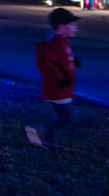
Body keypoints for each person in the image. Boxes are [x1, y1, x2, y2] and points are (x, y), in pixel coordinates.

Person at [26, 8, 80, 149]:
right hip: (58, 88)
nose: (76, 28)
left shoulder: (61, 42)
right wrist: (60, 76)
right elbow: (43, 60)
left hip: (62, 88)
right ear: (62, 27)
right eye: (72, 25)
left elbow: (58, 59)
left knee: (64, 115)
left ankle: (48, 139)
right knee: (67, 116)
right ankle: (40, 130)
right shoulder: (57, 43)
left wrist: (72, 61)